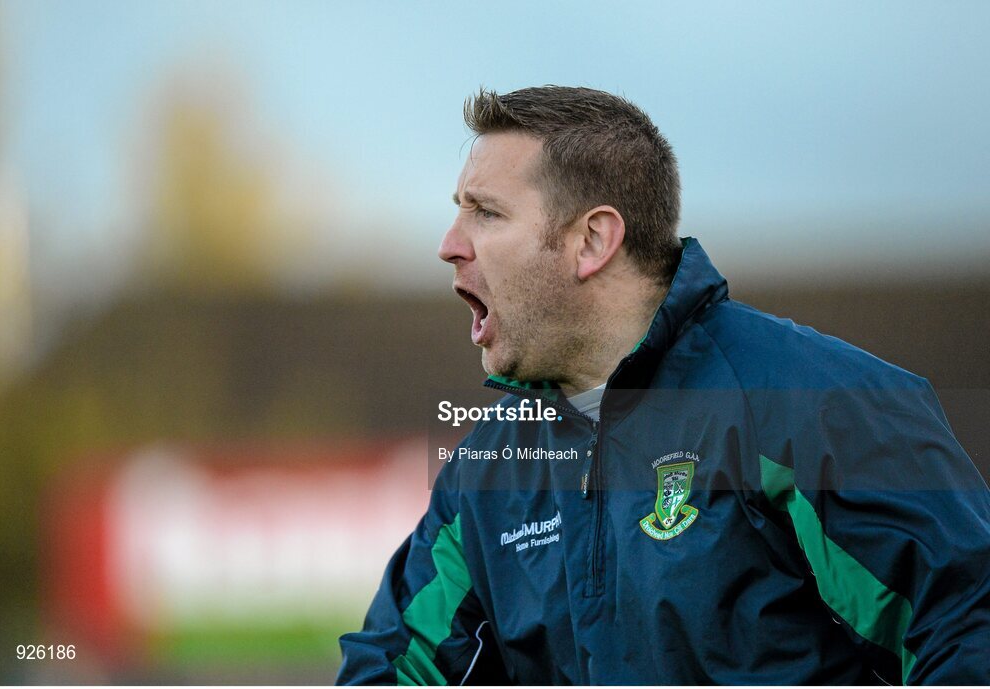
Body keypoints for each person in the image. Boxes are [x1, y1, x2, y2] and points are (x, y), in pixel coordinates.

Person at [336, 86, 990, 685]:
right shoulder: (486, 474)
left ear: (591, 240)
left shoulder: (809, 407)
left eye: (485, 213)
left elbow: (967, 620)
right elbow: (393, 668)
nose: (450, 244)